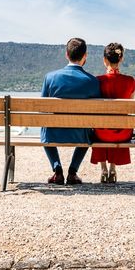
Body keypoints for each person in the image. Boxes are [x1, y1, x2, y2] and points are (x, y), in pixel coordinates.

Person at [41, 38, 101, 185]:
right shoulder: (92, 81)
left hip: (53, 132)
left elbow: (42, 108)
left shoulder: (50, 77)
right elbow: (96, 113)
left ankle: (57, 170)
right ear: (85, 56)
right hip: (80, 134)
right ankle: (72, 172)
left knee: (44, 126)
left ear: (66, 54)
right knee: (89, 129)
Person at [90, 43, 135, 183]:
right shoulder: (130, 81)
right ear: (121, 59)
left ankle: (103, 168)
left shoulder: (97, 81)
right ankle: (113, 168)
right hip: (123, 133)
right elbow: (130, 107)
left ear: (105, 60)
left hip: (101, 133)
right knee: (119, 122)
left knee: (99, 124)